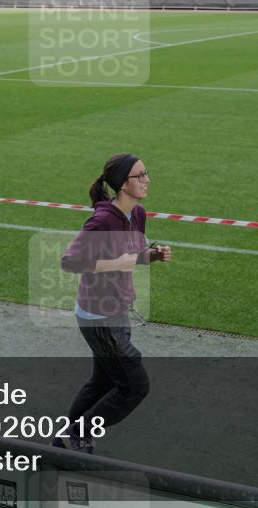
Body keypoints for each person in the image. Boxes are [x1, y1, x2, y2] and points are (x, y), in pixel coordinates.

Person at [56, 153, 172, 453]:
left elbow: (131, 255)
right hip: (99, 317)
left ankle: (64, 443)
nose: (147, 179)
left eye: (147, 172)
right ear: (123, 184)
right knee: (135, 386)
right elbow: (70, 262)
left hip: (116, 312)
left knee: (103, 381)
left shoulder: (139, 213)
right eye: (140, 175)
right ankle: (77, 436)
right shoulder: (104, 219)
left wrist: (151, 256)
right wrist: (115, 263)